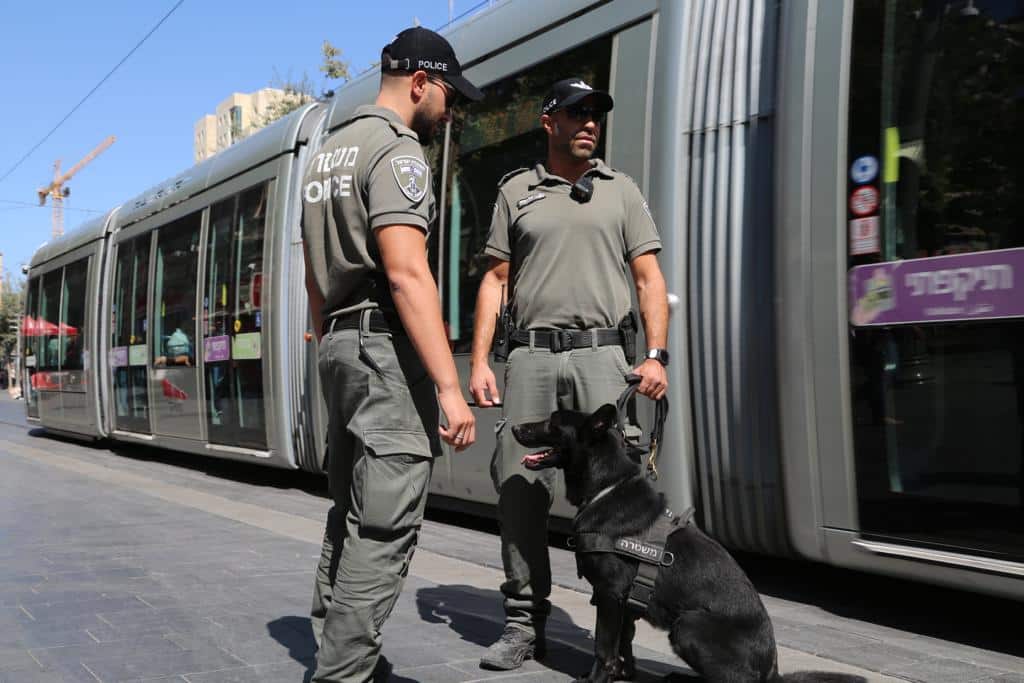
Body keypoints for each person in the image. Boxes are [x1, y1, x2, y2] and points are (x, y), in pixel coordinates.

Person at [469, 76, 670, 671]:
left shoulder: (622, 191)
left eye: (596, 114)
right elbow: (496, 280)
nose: (590, 122)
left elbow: (648, 279)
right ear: (548, 121)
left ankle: (619, 639)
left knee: (619, 497)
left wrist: (655, 354)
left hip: (603, 357)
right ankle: (523, 622)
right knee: (520, 489)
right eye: (577, 113)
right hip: (530, 356)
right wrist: (480, 360)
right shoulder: (516, 192)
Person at [300, 27, 483, 683]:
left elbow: (313, 280)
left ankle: (333, 647)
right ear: (420, 83)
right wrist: (450, 388)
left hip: (341, 346)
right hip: (381, 348)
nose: (449, 111)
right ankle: (342, 672)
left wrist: (331, 352)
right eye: (448, 97)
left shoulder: (328, 153)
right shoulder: (397, 153)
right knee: (383, 522)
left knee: (348, 509)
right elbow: (407, 274)